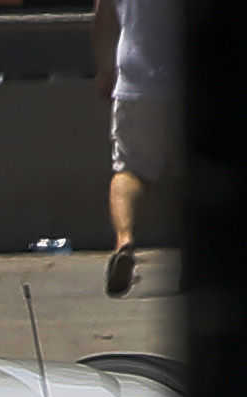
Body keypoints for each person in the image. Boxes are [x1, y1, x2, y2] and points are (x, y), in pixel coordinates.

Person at [97, 0, 173, 297]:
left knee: (128, 171)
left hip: (135, 81)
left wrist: (105, 69)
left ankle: (124, 241)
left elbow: (103, 16)